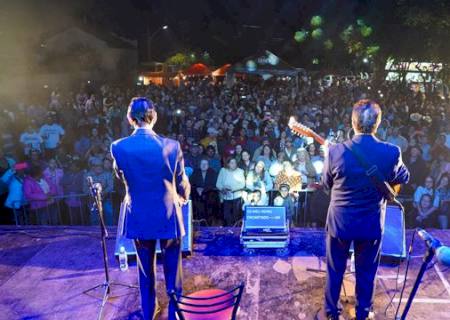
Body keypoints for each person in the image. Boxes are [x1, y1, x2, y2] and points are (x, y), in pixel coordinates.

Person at [319, 100, 409, 320]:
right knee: (366, 272)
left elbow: (326, 184)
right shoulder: (391, 152)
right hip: (370, 224)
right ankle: (363, 313)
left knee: (334, 269)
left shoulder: (335, 151)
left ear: (353, 122)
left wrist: (327, 157)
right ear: (377, 123)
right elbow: (404, 177)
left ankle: (331, 312)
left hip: (340, 222)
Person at [111, 97, 190, 320]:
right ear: (153, 116)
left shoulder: (118, 147)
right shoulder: (171, 145)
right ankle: (175, 314)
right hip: (167, 215)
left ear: (130, 119)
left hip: (139, 216)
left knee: (145, 272)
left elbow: (121, 175)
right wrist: (183, 196)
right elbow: (182, 180)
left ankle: (149, 313)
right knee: (173, 272)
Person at [216, 157, 246, 226]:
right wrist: (223, 188)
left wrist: (232, 189)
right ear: (228, 164)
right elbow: (218, 184)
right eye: (232, 163)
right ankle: (228, 229)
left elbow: (242, 184)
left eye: (235, 163)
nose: (234, 164)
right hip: (226, 196)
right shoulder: (223, 170)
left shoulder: (240, 171)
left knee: (236, 215)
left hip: (237, 196)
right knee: (227, 215)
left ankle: (236, 230)